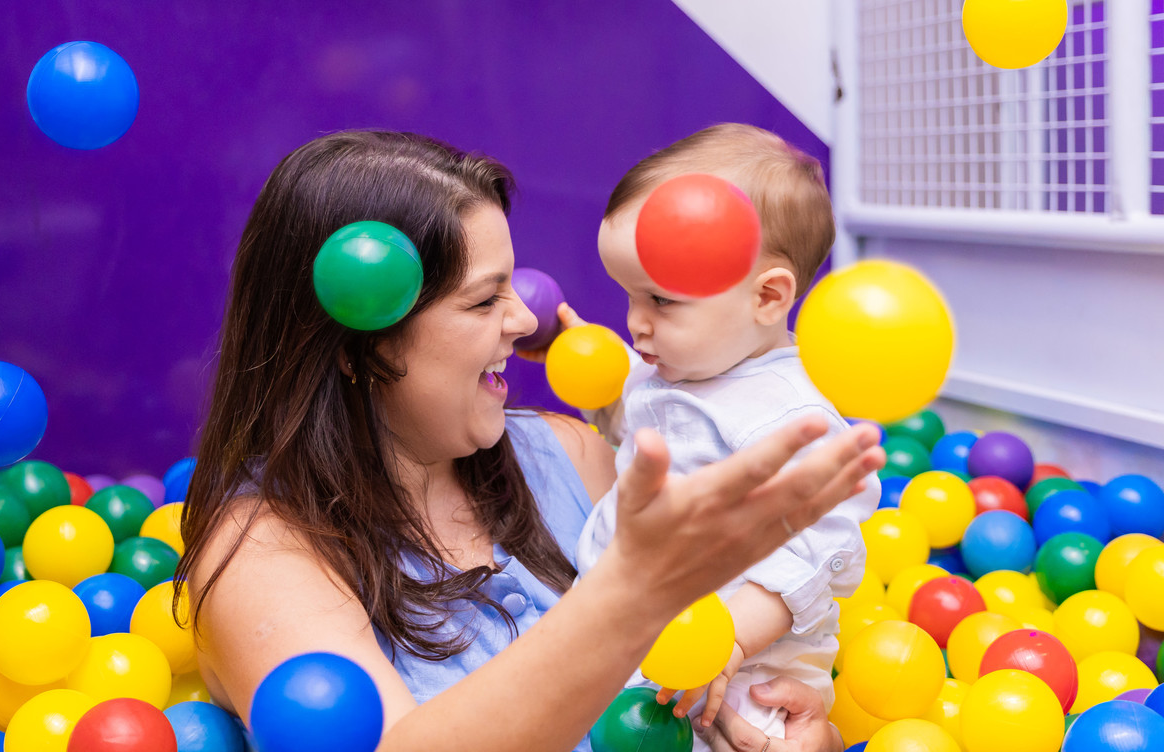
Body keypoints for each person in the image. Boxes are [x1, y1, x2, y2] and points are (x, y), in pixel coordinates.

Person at [176, 130, 885, 752]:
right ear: (359, 344)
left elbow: (734, 637)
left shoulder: (563, 455)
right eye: (485, 299)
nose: (522, 319)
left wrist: (807, 735)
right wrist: (633, 596)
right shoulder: (263, 552)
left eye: (513, 286)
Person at [570, 124, 882, 747]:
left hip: (743, 676)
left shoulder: (789, 416)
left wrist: (729, 641)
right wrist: (574, 354)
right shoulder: (682, 368)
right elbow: (644, 422)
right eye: (629, 295)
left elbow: (817, 546)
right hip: (635, 638)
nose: (636, 323)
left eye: (661, 300)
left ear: (767, 297)